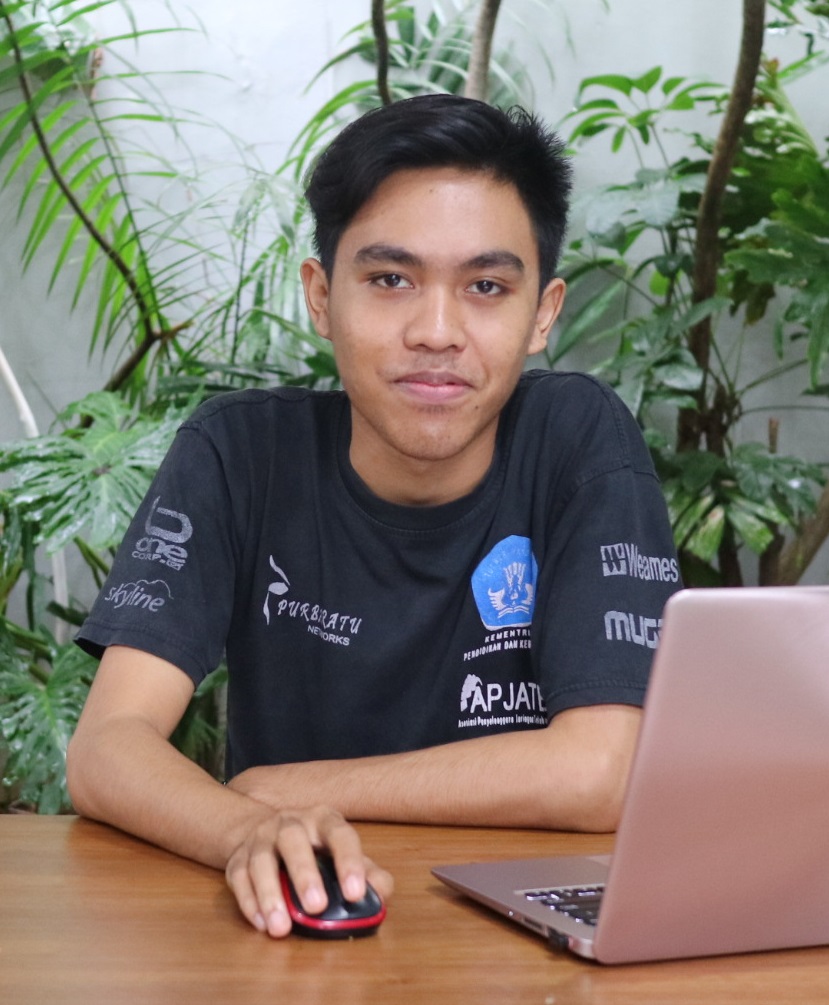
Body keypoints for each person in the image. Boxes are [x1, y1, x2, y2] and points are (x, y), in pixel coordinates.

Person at [66, 93, 681, 939]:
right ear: (321, 297)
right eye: (390, 279)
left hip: (520, 945)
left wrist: (279, 787)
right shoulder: (240, 451)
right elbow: (106, 746)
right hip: (298, 931)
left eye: (486, 286)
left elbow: (601, 771)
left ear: (542, 313)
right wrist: (245, 829)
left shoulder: (576, 439)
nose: (436, 331)